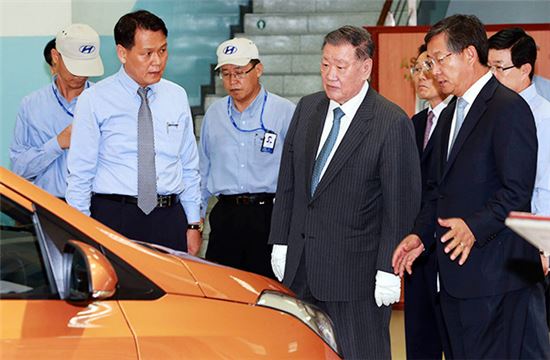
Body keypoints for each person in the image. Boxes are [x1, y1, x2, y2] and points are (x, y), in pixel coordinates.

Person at [393, 15, 550, 359]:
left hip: (495, 278)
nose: (433, 71)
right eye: (430, 62)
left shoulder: (508, 109)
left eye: (439, 60)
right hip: (454, 279)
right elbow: (437, 189)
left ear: (468, 54)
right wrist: (420, 235)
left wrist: (473, 228)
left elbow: (516, 192)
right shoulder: (450, 115)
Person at [269, 25, 421, 359]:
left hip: (357, 276)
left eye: (340, 66)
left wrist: (388, 267)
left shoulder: (389, 122)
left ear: (365, 67)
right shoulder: (308, 109)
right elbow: (289, 182)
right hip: (302, 266)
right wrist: (280, 241)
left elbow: (400, 203)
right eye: (325, 65)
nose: (330, 75)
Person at [66, 10, 202, 255]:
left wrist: (193, 222)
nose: (157, 61)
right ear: (122, 53)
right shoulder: (94, 99)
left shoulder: (176, 96)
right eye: (147, 53)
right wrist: (82, 230)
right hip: (114, 217)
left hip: (169, 217)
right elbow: (80, 173)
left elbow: (189, 164)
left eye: (162, 50)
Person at [199, 38, 295, 277]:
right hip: (226, 216)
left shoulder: (284, 112)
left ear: (258, 69)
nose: (233, 80)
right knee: (223, 292)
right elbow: (202, 169)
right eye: (226, 73)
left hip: (268, 217)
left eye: (240, 72)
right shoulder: (215, 114)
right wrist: (195, 219)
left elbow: (298, 171)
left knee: (269, 294)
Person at [489, 26, 550, 331]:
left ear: (525, 69)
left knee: (532, 335)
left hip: (533, 245)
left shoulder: (544, 117)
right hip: (499, 243)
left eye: (501, 68)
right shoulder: (495, 112)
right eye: (489, 67)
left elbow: (545, 187)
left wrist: (544, 248)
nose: (493, 76)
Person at [10, 24, 103, 199]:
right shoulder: (31, 105)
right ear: (55, 57)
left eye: (86, 66)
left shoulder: (105, 103)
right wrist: (58, 143)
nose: (81, 74)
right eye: (75, 65)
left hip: (95, 206)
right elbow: (18, 169)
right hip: (47, 206)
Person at [405, 44, 451, 360]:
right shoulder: (415, 122)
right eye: (417, 69)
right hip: (417, 244)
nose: (421, 76)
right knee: (420, 339)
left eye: (428, 67)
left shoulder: (461, 120)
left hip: (449, 241)